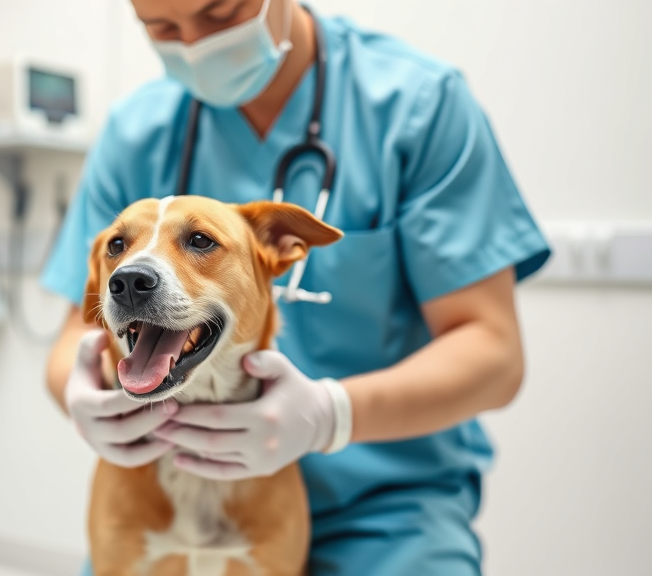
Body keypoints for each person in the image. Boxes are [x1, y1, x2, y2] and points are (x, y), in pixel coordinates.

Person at [41, 0, 550, 574]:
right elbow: (72, 337)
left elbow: (494, 351)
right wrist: (80, 397)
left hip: (383, 507)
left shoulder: (418, 105)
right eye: (160, 26)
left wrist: (332, 415)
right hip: (160, 482)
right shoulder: (137, 131)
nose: (192, 44)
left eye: (220, 13)